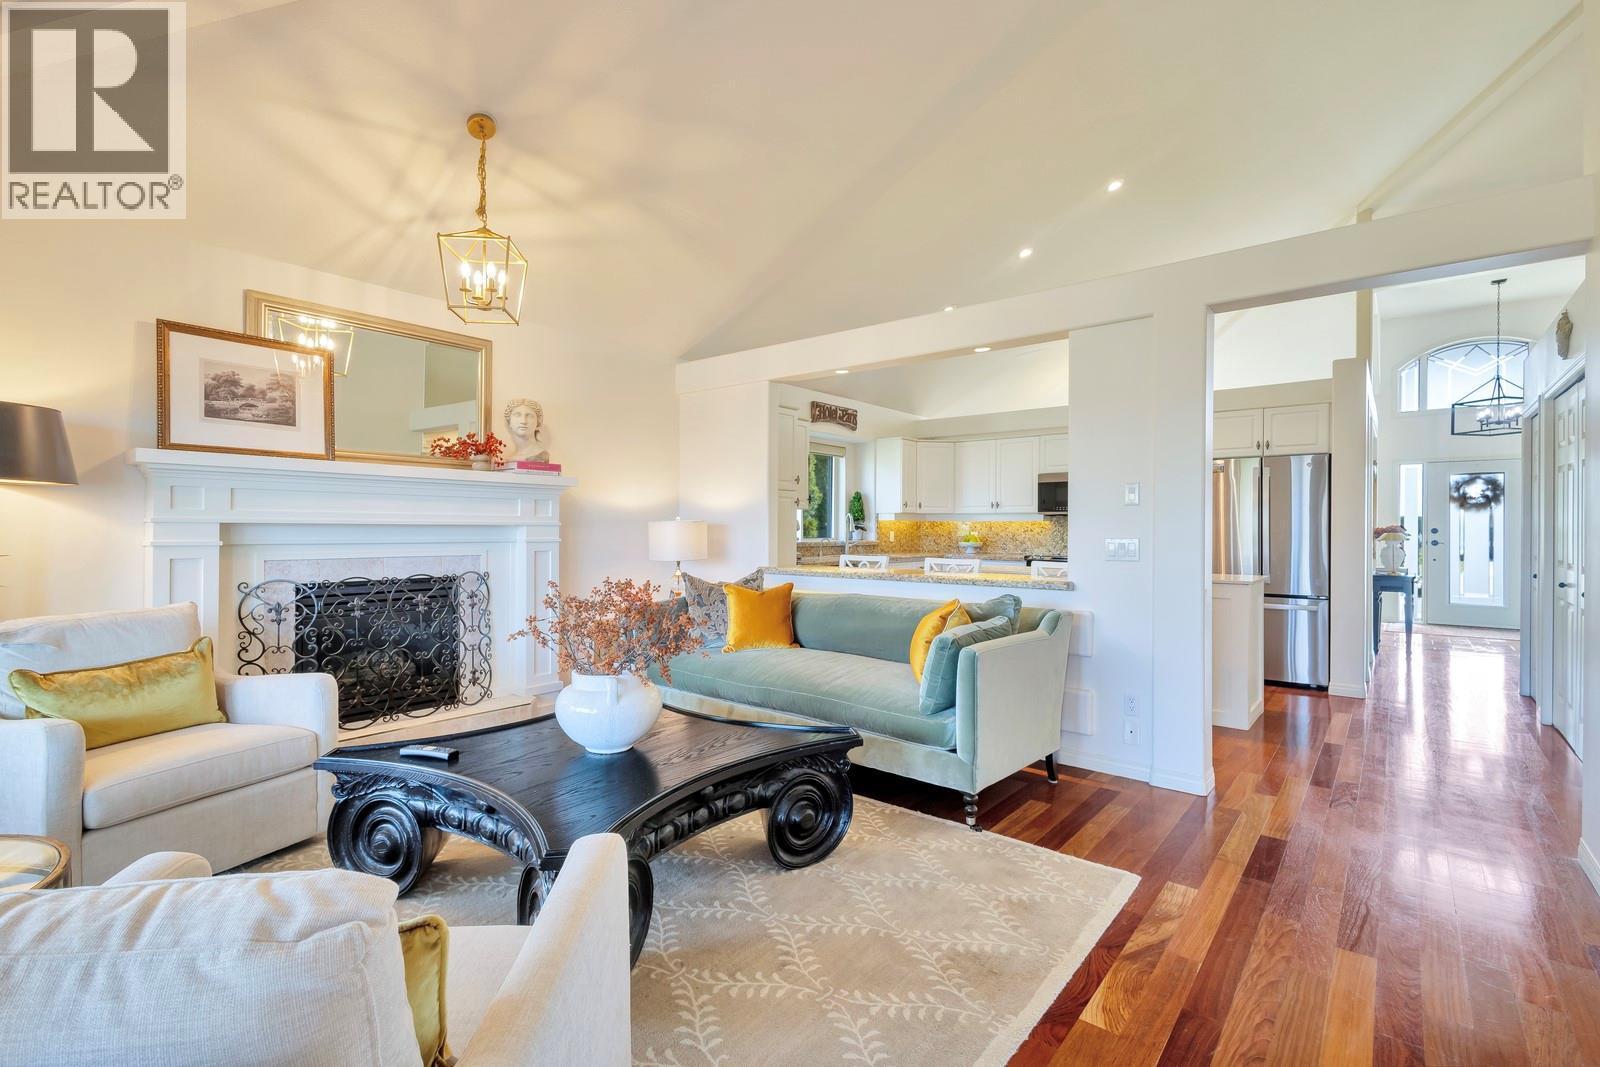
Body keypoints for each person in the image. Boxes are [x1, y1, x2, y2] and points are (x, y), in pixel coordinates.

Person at [504, 398, 549, 463]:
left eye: (529, 416)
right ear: (509, 422)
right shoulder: (512, 457)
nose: (523, 421)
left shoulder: (540, 454)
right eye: (517, 415)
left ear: (538, 423)